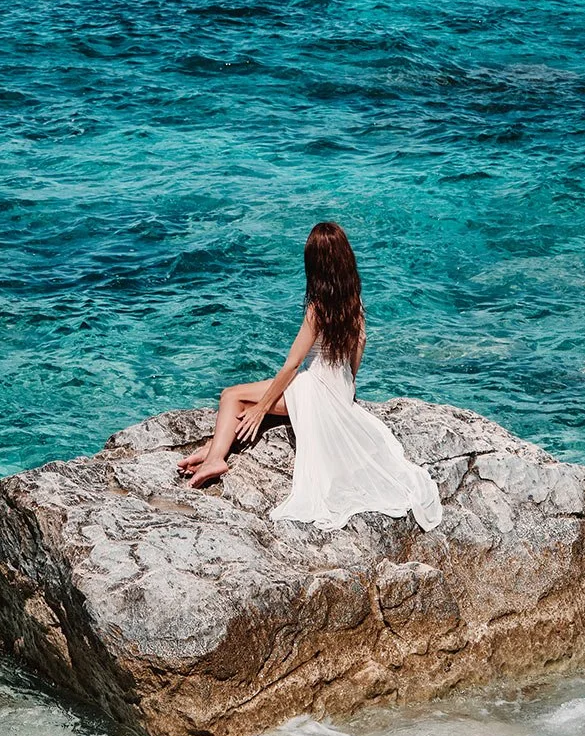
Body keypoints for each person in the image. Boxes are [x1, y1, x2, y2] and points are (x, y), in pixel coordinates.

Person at [177, 221, 443, 532]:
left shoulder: (317, 309)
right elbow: (358, 348)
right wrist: (347, 392)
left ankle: (215, 459)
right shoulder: (354, 302)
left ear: (314, 264)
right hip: (340, 388)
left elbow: (293, 364)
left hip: (314, 386)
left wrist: (263, 406)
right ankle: (213, 448)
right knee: (254, 412)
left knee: (232, 396)